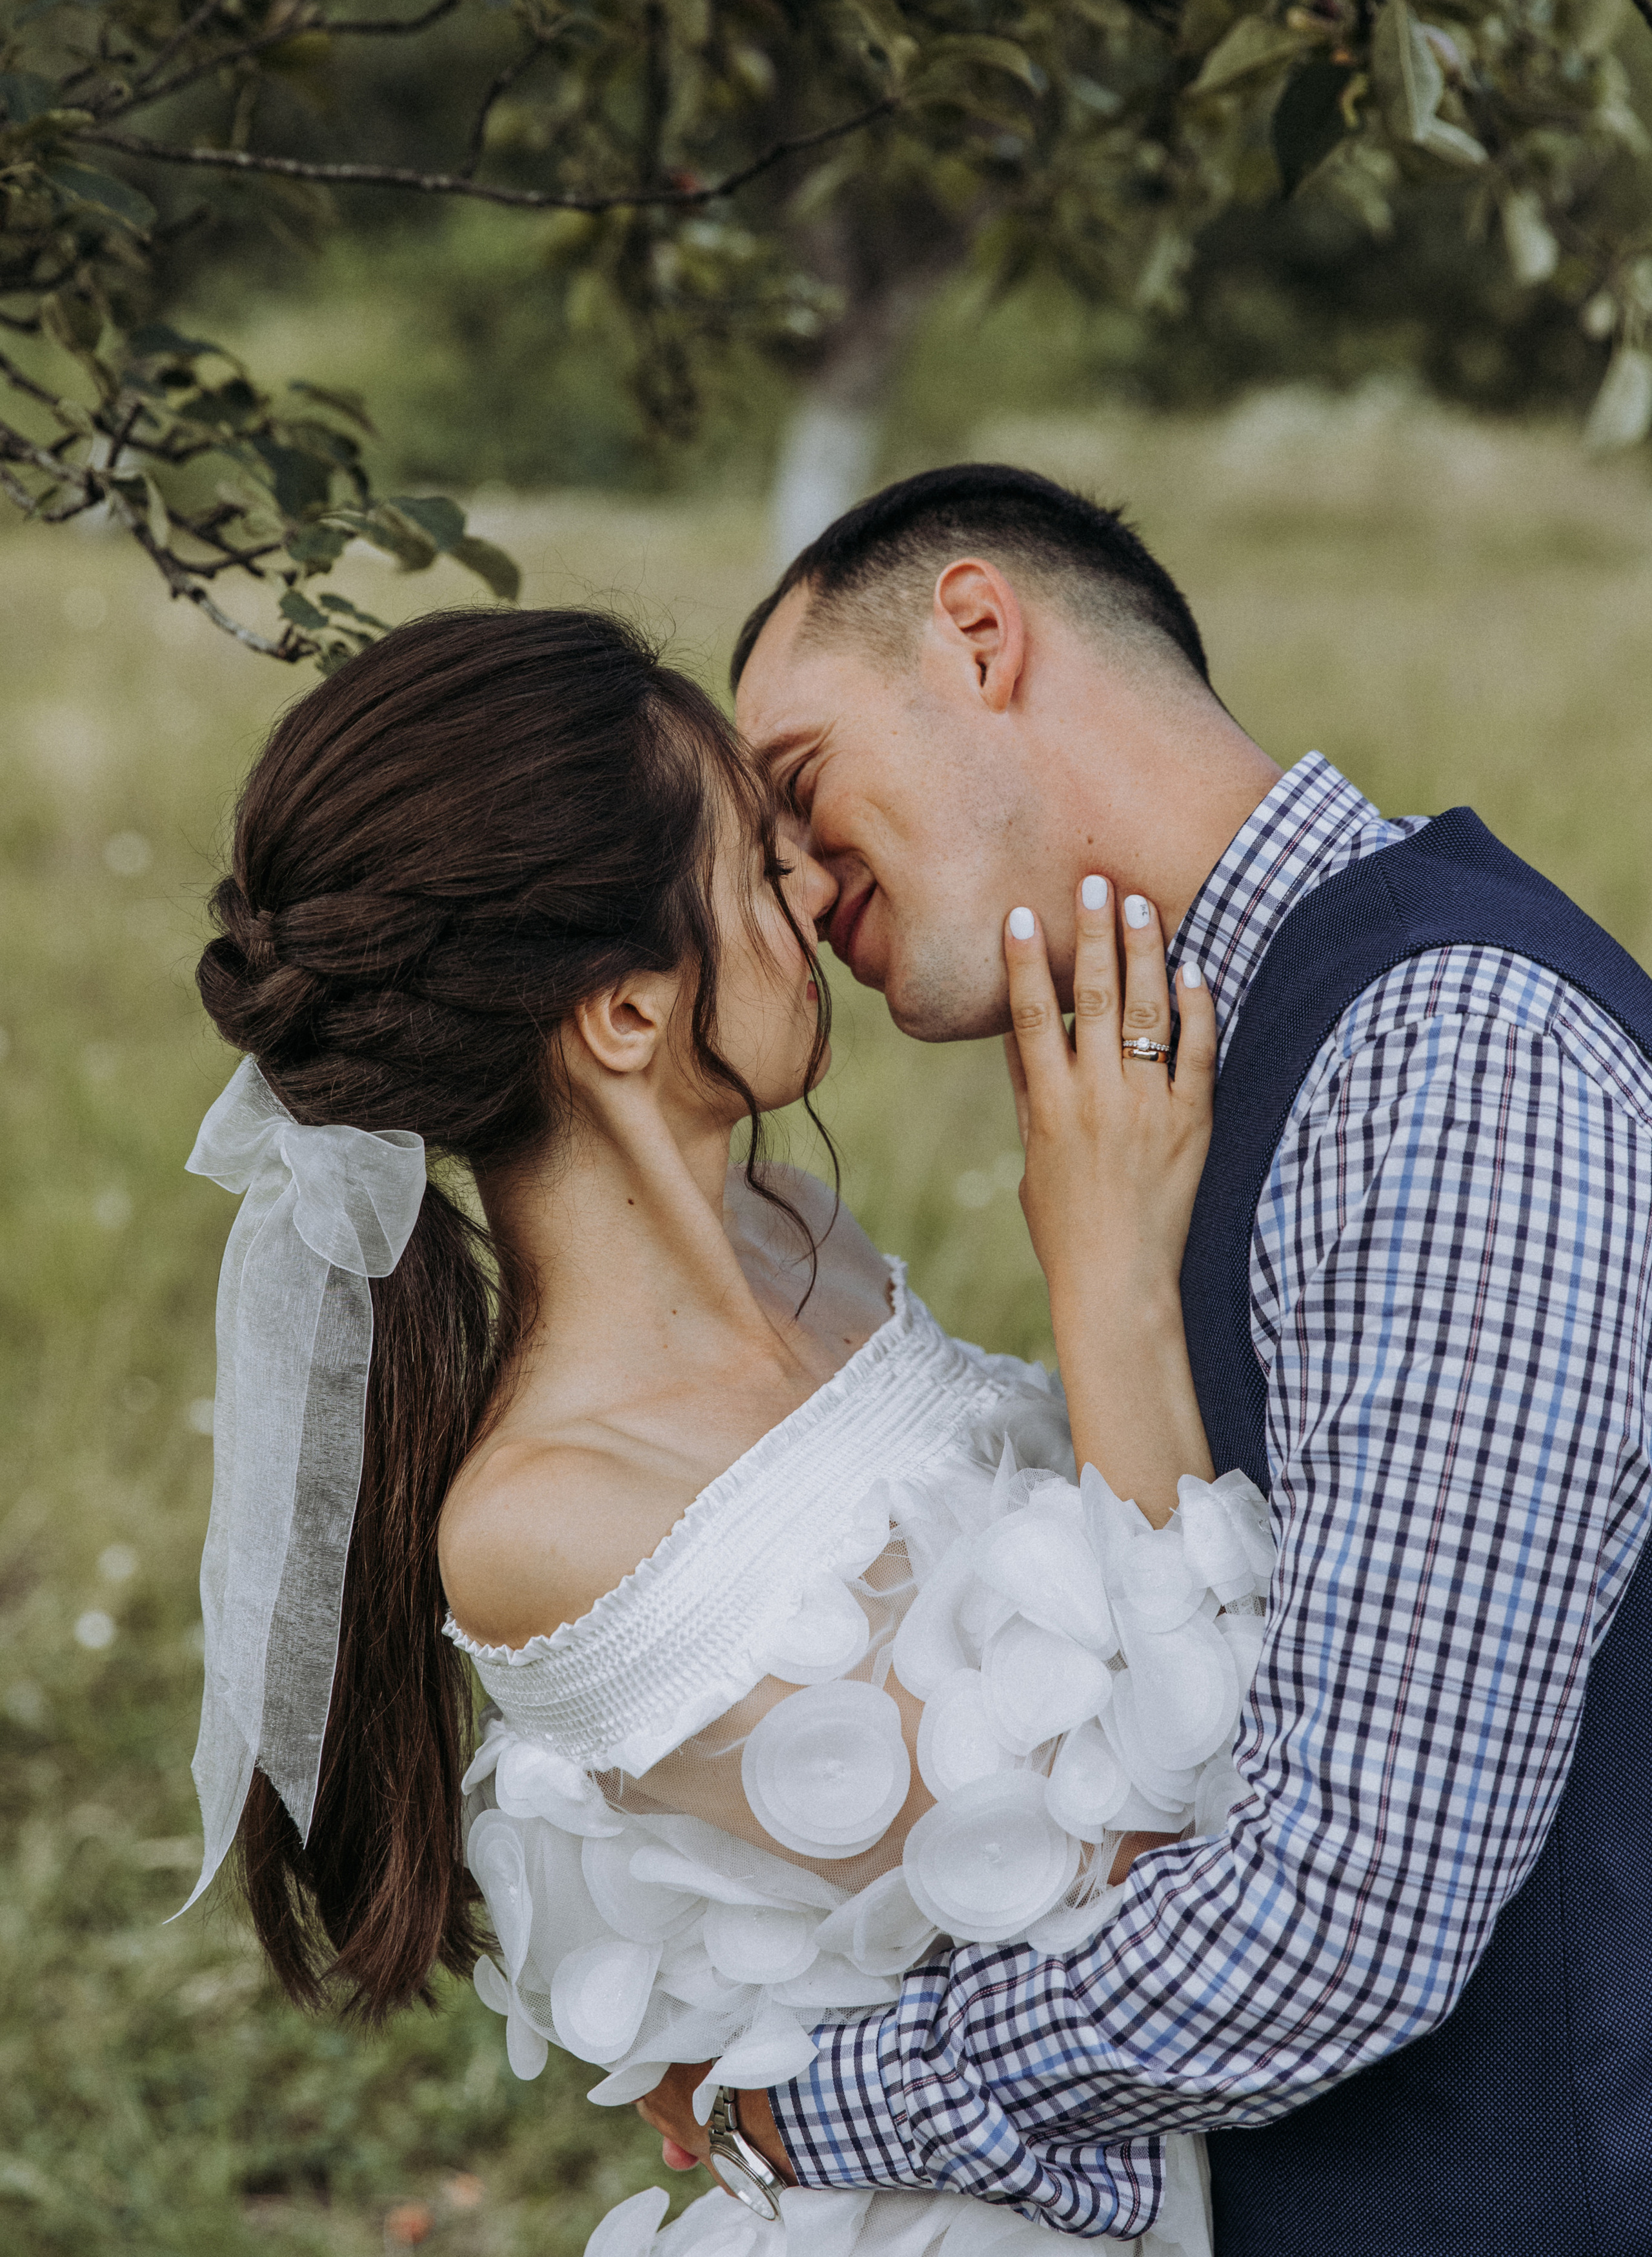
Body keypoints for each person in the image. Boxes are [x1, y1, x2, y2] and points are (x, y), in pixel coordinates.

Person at [635, 464, 1652, 2255]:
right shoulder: (1200, 1077)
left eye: (795, 790)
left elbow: (1349, 1908)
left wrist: (819, 2099)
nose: (790, 889)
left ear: (977, 633)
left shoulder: (1454, 1060)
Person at [181, 604, 1260, 2257]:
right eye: (762, 875)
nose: (819, 897)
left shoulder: (798, 1232)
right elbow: (1132, 1878)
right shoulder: (550, 1515)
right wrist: (1107, 1286)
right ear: (621, 1018)